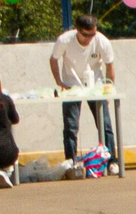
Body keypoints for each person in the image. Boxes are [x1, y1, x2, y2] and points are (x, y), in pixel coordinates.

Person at [49, 13, 121, 174]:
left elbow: (110, 66)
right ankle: (71, 161)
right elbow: (53, 59)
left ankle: (112, 160)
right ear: (77, 30)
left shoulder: (101, 41)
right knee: (71, 126)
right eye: (86, 35)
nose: (89, 38)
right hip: (71, 86)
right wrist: (59, 82)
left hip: (95, 87)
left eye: (92, 34)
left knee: (105, 125)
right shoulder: (65, 40)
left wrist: (108, 90)